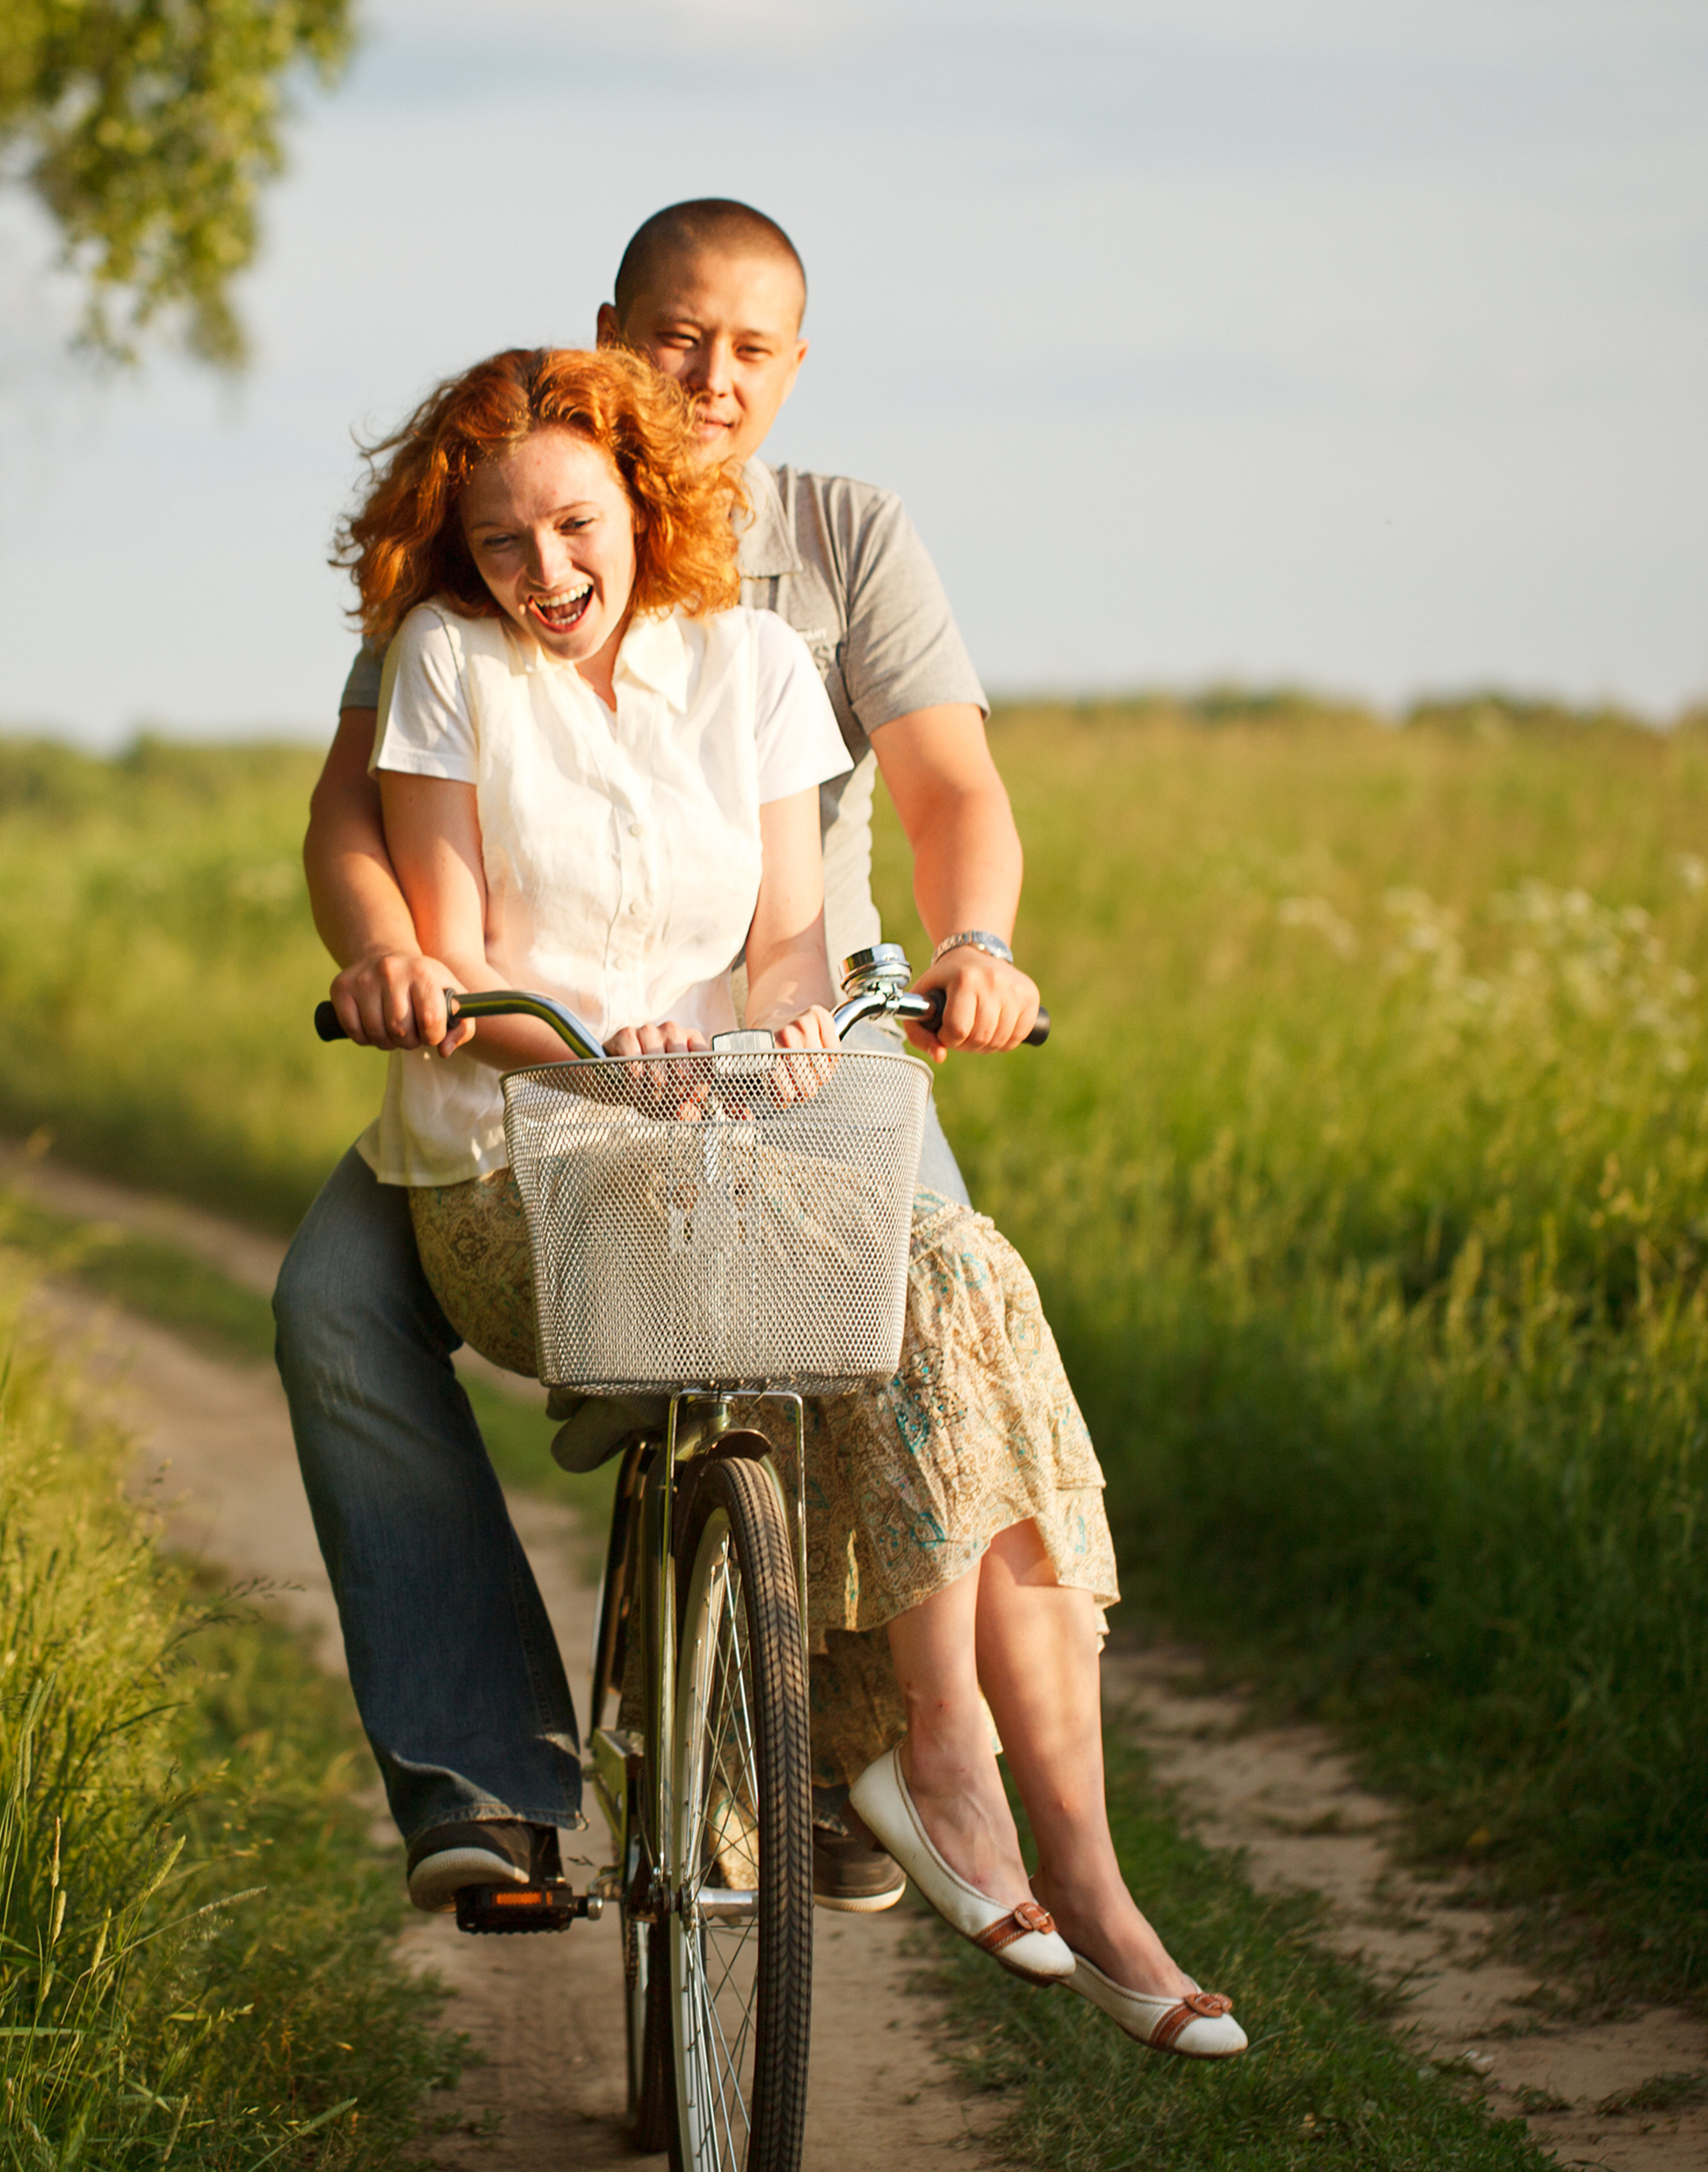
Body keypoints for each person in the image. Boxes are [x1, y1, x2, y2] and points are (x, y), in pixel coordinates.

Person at [319, 340, 1243, 2062]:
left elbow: (781, 944)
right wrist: (586, 1044)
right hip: (524, 1157)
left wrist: (795, 1023)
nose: (546, 576)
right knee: (829, 1287)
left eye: (576, 528)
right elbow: (455, 951)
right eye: (505, 542)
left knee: (959, 1284)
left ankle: (982, 1791)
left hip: (721, 1132)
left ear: (644, 501)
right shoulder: (445, 658)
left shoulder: (751, 660)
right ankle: (887, 1765)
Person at [284, 198, 1032, 1918]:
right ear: (611, 329)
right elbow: (356, 820)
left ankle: (854, 1756)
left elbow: (950, 796)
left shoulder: (838, 544)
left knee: (903, 1306)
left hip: (787, 1033)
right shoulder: (503, 519)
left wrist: (971, 946)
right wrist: (387, 954)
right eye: (677, 336)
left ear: (794, 367)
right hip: (538, 1046)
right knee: (336, 1305)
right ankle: (487, 1781)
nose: (711, 376)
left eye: (752, 348)